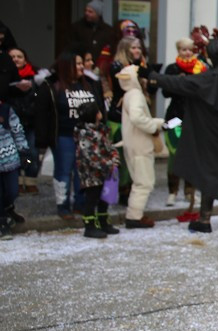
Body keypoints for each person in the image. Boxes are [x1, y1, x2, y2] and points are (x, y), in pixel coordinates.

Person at [150, 38, 218, 233]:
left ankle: (205, 220)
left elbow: (179, 83)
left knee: (211, 171)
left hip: (217, 133)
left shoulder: (212, 78)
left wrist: (152, 76)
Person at [36, 52, 104, 218]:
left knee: (82, 171)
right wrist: (42, 141)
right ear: (66, 67)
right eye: (78, 64)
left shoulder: (90, 84)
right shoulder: (52, 86)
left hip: (87, 135)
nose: (82, 67)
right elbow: (42, 114)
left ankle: (80, 204)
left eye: (82, 63)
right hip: (64, 136)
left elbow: (100, 107)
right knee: (63, 171)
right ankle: (63, 205)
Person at [162, 37, 208, 212]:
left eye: (190, 50)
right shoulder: (172, 69)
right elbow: (165, 92)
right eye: (184, 50)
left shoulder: (200, 68)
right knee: (174, 155)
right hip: (174, 116)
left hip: (193, 117)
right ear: (178, 51)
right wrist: (178, 83)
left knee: (191, 155)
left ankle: (190, 190)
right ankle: (172, 190)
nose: (187, 53)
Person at [116, 65, 164, 229]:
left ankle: (135, 214)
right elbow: (138, 118)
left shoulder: (129, 94)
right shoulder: (135, 95)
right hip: (140, 145)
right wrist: (153, 126)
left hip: (134, 143)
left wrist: (156, 123)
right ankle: (134, 216)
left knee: (140, 181)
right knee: (143, 183)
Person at [0, 81, 30, 239]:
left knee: (12, 190)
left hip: (10, 158)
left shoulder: (5, 109)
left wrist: (23, 150)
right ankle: (2, 223)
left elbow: (17, 130)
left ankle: (8, 207)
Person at [73, 101, 120, 239]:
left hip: (106, 171)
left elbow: (109, 146)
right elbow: (90, 156)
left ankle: (103, 222)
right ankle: (89, 226)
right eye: (98, 111)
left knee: (104, 198)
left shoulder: (101, 129)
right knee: (92, 199)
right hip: (91, 173)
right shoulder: (85, 134)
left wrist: (114, 159)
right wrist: (108, 163)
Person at [6, 46, 42, 194]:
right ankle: (18, 182)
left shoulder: (35, 78)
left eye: (19, 56)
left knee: (32, 153)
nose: (15, 59)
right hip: (11, 124)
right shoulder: (5, 78)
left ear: (25, 59)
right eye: (12, 57)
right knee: (15, 154)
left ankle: (31, 180)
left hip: (31, 123)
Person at [70, 0, 117, 65]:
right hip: (82, 64)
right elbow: (71, 46)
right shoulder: (77, 27)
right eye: (86, 10)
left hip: (100, 65)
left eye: (90, 11)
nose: (87, 13)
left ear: (98, 14)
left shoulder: (107, 30)